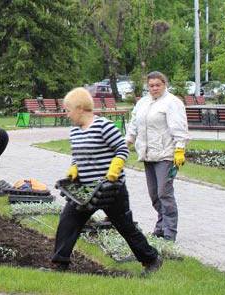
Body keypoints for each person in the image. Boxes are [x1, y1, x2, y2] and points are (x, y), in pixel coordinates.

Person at [53, 88, 162, 274]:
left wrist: (114, 169)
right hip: (86, 191)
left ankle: (151, 259)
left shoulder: (104, 126)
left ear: (80, 108)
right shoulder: (74, 132)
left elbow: (122, 149)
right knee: (68, 222)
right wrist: (73, 169)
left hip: (111, 189)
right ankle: (60, 264)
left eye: (68, 109)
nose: (66, 114)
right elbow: (78, 157)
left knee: (125, 226)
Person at [126, 71, 189, 241]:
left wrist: (179, 149)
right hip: (148, 154)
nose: (154, 88)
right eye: (151, 85)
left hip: (166, 155)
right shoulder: (143, 103)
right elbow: (134, 124)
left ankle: (169, 233)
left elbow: (179, 127)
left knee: (164, 193)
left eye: (157, 85)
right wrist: (128, 141)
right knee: (154, 195)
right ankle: (160, 227)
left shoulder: (172, 103)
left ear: (164, 84)